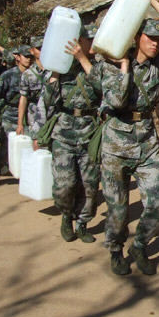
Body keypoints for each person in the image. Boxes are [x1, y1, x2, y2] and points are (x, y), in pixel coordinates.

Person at [96, 0, 159, 276]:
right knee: (118, 209)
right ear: (136, 38)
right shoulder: (108, 64)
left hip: (146, 144)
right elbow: (117, 101)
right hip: (115, 146)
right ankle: (115, 249)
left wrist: (151, 2)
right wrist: (124, 67)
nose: (156, 44)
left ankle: (141, 244)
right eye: (150, 38)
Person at [39, 27, 103, 244]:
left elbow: (103, 89)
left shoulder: (98, 67)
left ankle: (83, 223)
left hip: (90, 134)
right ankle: (66, 216)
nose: (90, 42)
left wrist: (83, 59)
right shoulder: (61, 68)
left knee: (90, 185)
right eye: (87, 39)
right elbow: (48, 101)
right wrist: (56, 70)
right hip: (63, 135)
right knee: (64, 184)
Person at [0, 44, 34, 184]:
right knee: (5, 146)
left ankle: (27, 175)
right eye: (26, 57)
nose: (28, 59)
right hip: (11, 114)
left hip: (30, 115)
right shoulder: (9, 75)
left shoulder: (36, 74)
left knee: (30, 145)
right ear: (18, 57)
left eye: (30, 57)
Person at [16, 35, 48, 145]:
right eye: (38, 49)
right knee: (37, 146)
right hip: (35, 116)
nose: (41, 51)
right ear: (32, 51)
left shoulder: (54, 70)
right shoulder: (27, 75)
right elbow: (23, 98)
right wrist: (20, 123)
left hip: (51, 114)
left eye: (44, 47)